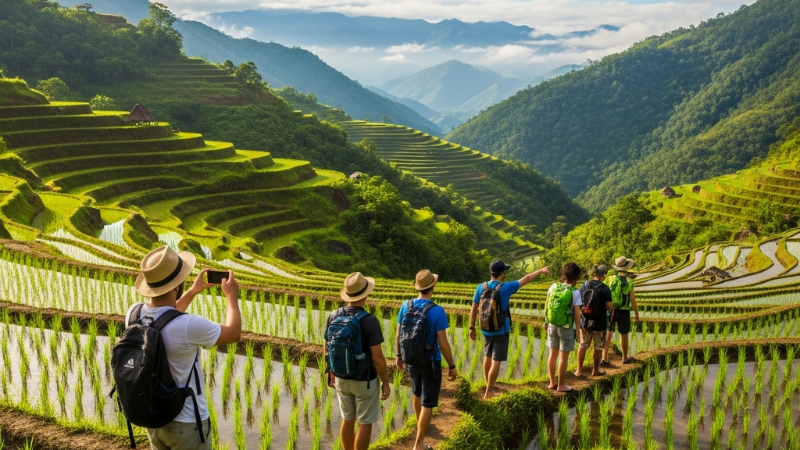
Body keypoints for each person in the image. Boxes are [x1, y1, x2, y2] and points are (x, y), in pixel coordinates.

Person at [129, 246, 242, 450]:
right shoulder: (188, 325)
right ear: (177, 285)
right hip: (186, 422)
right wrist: (231, 296)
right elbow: (234, 333)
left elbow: (164, 317)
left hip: (153, 418)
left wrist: (192, 291)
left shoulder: (134, 314)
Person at [325, 272, 391, 450]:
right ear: (366, 294)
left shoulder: (333, 315)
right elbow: (378, 358)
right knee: (365, 423)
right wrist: (385, 382)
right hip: (364, 381)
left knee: (347, 419)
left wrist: (329, 370)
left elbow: (327, 346)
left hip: (341, 377)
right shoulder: (370, 321)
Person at [468, 260, 550, 399]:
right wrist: (541, 270)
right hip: (501, 330)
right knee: (496, 360)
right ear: (502, 273)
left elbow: (473, 308)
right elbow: (526, 278)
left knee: (487, 356)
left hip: (485, 328)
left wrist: (471, 327)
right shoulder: (506, 287)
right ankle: (489, 392)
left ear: (490, 273)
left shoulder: (480, 287)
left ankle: (488, 385)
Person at [395, 270, 456, 450]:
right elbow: (443, 344)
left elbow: (398, 334)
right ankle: (419, 445)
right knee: (428, 401)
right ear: (433, 287)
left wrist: (399, 356)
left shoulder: (405, 305)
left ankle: (420, 423)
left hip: (411, 358)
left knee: (417, 392)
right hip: (430, 361)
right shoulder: (437, 311)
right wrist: (451, 365)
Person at [544, 262, 582, 392]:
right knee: (563, 357)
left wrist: (546, 321)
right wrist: (578, 330)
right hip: (566, 326)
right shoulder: (574, 292)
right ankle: (561, 385)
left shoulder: (553, 286)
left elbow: (547, 304)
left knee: (552, 354)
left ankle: (551, 383)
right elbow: (577, 313)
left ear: (563, 274)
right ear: (576, 277)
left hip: (552, 324)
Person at [574, 265, 613, 377]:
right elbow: (609, 306)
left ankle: (578, 370)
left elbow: (579, 301)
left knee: (583, 345)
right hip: (599, 323)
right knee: (598, 347)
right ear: (603, 276)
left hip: (585, 321)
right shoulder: (605, 289)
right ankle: (595, 370)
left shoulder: (585, 285)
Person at [602, 256, 641, 365]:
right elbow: (632, 299)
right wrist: (637, 314)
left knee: (608, 332)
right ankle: (624, 358)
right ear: (627, 268)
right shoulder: (629, 281)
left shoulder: (609, 279)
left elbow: (603, 293)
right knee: (624, 334)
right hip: (624, 310)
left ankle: (604, 358)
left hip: (610, 309)